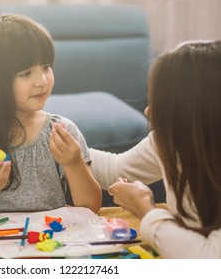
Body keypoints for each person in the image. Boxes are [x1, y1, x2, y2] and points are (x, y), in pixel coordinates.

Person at [0, 14, 101, 213]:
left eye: (46, 67)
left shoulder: (62, 131)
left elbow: (90, 207)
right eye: (26, 73)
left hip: (49, 239)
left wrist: (74, 163)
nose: (42, 81)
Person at [89, 40, 221, 258]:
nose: (148, 112)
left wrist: (144, 209)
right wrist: (64, 144)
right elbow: (118, 169)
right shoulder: (171, 141)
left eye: (163, 103)